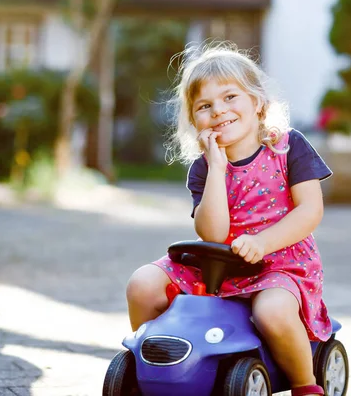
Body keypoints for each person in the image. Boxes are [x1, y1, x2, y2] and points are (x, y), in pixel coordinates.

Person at [126, 41, 333, 396]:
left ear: (257, 102)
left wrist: (262, 242)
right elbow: (213, 232)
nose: (218, 110)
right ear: (195, 121)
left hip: (279, 262)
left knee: (272, 312)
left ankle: (305, 384)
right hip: (217, 264)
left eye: (229, 97)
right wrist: (218, 168)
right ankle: (159, 367)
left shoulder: (288, 147)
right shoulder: (204, 169)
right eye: (205, 106)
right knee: (142, 284)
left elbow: (310, 211)